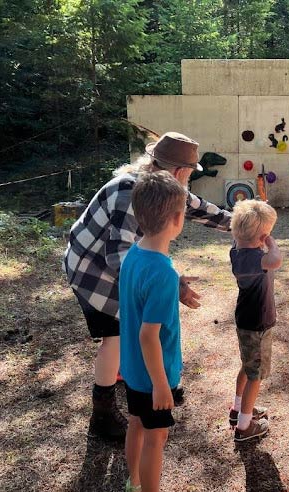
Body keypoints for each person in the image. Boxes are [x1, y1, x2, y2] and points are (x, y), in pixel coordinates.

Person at [63, 131, 231, 441]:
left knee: (142, 326)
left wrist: (241, 224)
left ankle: (148, 382)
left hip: (121, 263)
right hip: (91, 269)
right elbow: (118, 256)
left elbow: (196, 207)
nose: (189, 181)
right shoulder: (131, 191)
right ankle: (103, 409)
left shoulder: (160, 186)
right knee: (117, 335)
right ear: (180, 172)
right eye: (190, 173)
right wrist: (166, 283)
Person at [120, 171, 186, 492]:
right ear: (177, 219)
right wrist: (161, 386)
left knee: (136, 424)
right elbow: (149, 336)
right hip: (152, 377)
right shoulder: (164, 272)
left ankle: (132, 482)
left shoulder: (134, 253)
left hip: (133, 369)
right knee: (156, 438)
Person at [228, 199, 282, 442]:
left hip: (246, 320)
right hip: (258, 323)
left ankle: (238, 408)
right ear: (261, 237)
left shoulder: (237, 252)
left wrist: (258, 225)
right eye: (267, 233)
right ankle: (244, 426)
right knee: (255, 374)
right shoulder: (257, 258)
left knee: (247, 365)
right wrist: (271, 243)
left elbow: (246, 235)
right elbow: (275, 261)